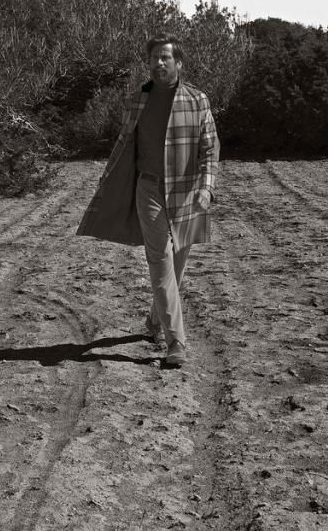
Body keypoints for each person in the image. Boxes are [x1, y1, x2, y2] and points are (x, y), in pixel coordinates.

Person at [76, 35, 220, 367]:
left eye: (165, 58)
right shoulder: (137, 100)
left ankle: (156, 320)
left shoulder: (197, 100)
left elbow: (210, 149)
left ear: (178, 63)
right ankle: (175, 342)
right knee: (160, 258)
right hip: (149, 188)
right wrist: (108, 177)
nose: (158, 63)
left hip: (186, 191)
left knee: (178, 263)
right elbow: (124, 143)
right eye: (154, 58)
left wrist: (206, 188)